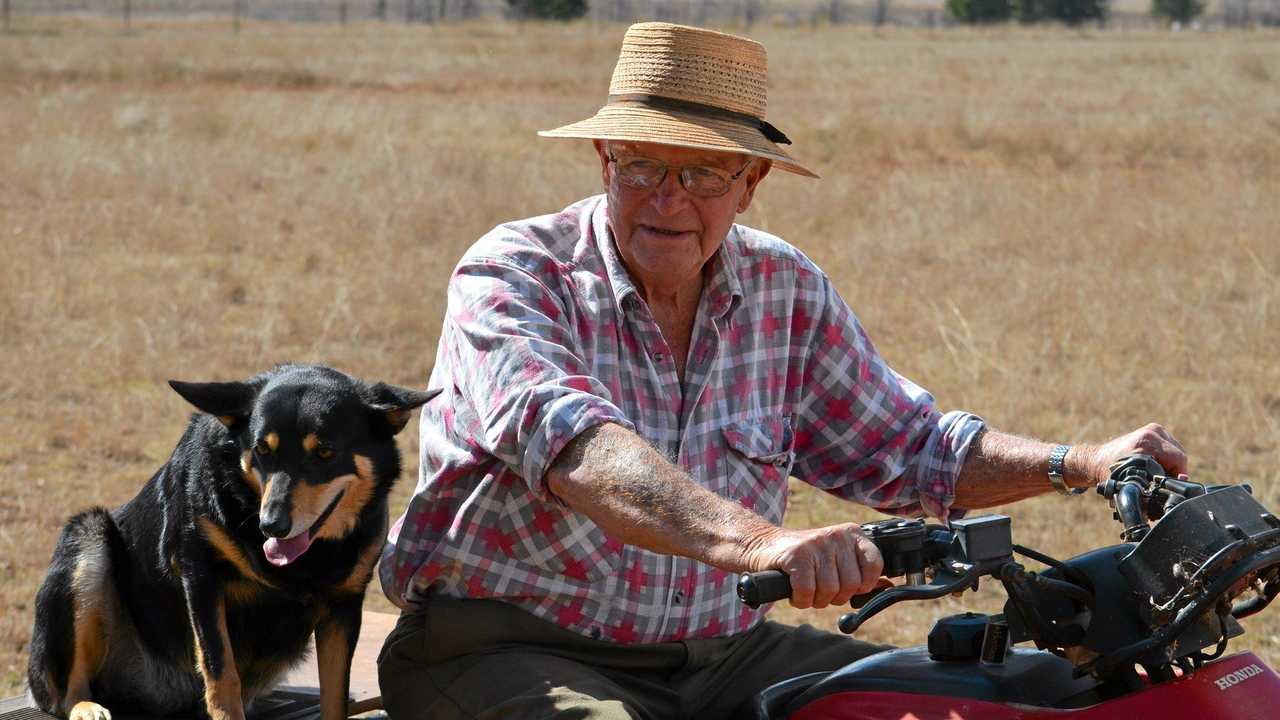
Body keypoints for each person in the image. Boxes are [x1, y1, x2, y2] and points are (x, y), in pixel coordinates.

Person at [376, 22, 1187, 720]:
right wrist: (763, 543)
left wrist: (1081, 463)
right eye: (643, 166)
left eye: (700, 173)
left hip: (722, 651)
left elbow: (909, 448)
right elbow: (579, 452)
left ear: (751, 183)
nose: (667, 199)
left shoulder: (784, 288)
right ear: (603, 160)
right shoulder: (514, 274)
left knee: (995, 694)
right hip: (501, 645)